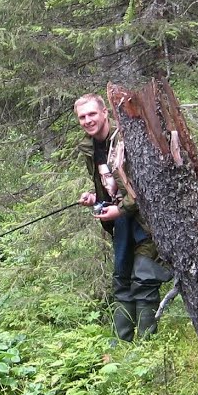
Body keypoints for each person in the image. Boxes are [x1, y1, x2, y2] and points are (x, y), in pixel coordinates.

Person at [74, 93, 172, 341]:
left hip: (145, 220)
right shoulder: (90, 147)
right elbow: (110, 185)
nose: (87, 120)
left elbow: (147, 184)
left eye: (92, 114)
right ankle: (123, 344)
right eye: (82, 117)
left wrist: (122, 208)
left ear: (105, 112)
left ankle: (147, 346)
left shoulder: (127, 138)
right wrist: (95, 198)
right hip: (121, 223)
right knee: (121, 280)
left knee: (144, 279)